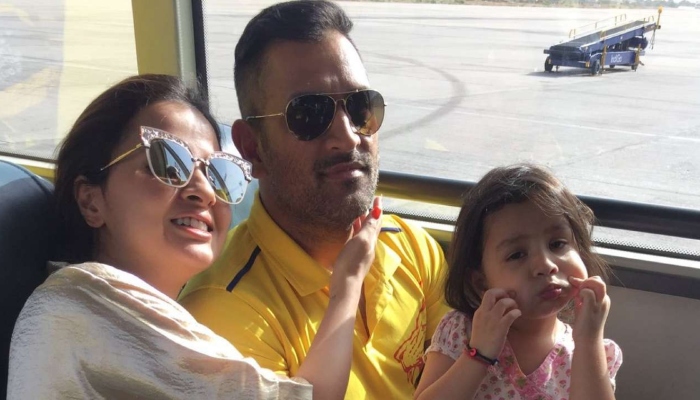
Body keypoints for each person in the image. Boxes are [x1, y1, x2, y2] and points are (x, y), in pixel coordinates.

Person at [8, 74, 383, 400]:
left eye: (218, 174)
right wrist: (348, 282)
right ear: (91, 201)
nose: (203, 191)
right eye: (168, 162)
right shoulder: (82, 301)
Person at [178, 1, 450, 398]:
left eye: (360, 107)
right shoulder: (223, 316)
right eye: (308, 115)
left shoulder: (412, 247)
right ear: (253, 148)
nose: (348, 136)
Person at [414, 164, 623, 400]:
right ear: (481, 282)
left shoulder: (591, 351)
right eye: (517, 255)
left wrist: (588, 341)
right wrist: (479, 354)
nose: (545, 265)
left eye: (557, 244)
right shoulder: (463, 332)